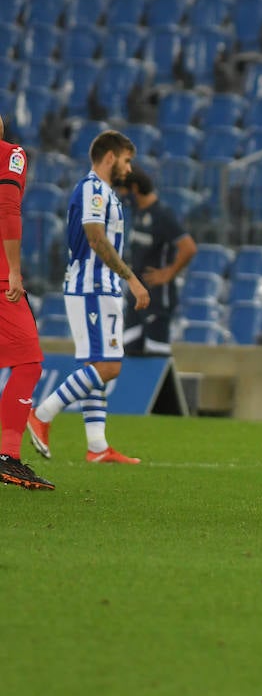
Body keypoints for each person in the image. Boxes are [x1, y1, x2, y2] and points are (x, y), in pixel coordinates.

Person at [28, 130, 150, 465]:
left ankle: (97, 447)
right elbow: (95, 238)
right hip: (92, 286)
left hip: (98, 287)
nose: (129, 168)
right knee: (109, 366)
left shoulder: (106, 193)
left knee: (96, 365)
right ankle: (43, 413)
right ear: (110, 157)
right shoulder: (93, 189)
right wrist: (133, 279)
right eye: (126, 160)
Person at [0, 113, 52, 490]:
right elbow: (8, 210)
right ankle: (7, 456)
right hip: (1, 278)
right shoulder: (11, 154)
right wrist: (15, 270)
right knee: (29, 362)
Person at [118, 167, 197, 357]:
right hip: (136, 295)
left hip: (157, 296)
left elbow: (189, 247)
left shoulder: (162, 215)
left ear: (135, 188)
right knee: (129, 351)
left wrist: (169, 273)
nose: (120, 195)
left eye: (122, 189)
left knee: (156, 354)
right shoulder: (138, 211)